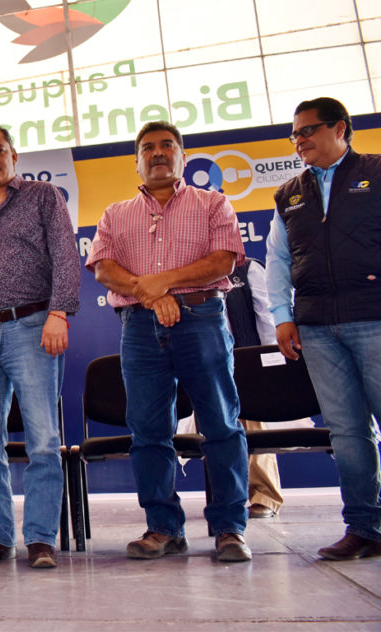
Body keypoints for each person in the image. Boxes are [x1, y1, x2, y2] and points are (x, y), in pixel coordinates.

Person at [87, 120, 251, 563]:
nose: (157, 153)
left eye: (167, 146)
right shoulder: (114, 214)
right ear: (136, 162)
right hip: (140, 327)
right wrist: (152, 295)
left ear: (182, 156)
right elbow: (102, 267)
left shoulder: (213, 203)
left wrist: (161, 284)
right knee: (148, 431)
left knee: (219, 424)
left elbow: (223, 260)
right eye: (148, 148)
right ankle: (163, 527)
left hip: (202, 318)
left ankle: (230, 528)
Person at [0, 123, 80, 569]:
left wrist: (59, 312)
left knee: (43, 438)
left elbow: (67, 256)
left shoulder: (43, 197)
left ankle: (42, 539)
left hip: (32, 326)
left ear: (14, 157)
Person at [266, 97, 381, 561]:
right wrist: (282, 315)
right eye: (294, 134)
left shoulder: (376, 173)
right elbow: (277, 259)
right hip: (316, 328)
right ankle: (365, 528)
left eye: (308, 131)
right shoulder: (289, 193)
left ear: (340, 129)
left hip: (374, 317)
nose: (299, 141)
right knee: (347, 433)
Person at [224, 259, 285, 519]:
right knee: (223, 431)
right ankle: (228, 497)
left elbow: (267, 318)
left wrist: (270, 362)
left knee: (256, 427)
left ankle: (265, 496)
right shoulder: (191, 270)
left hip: (249, 361)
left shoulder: (248, 269)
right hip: (214, 363)